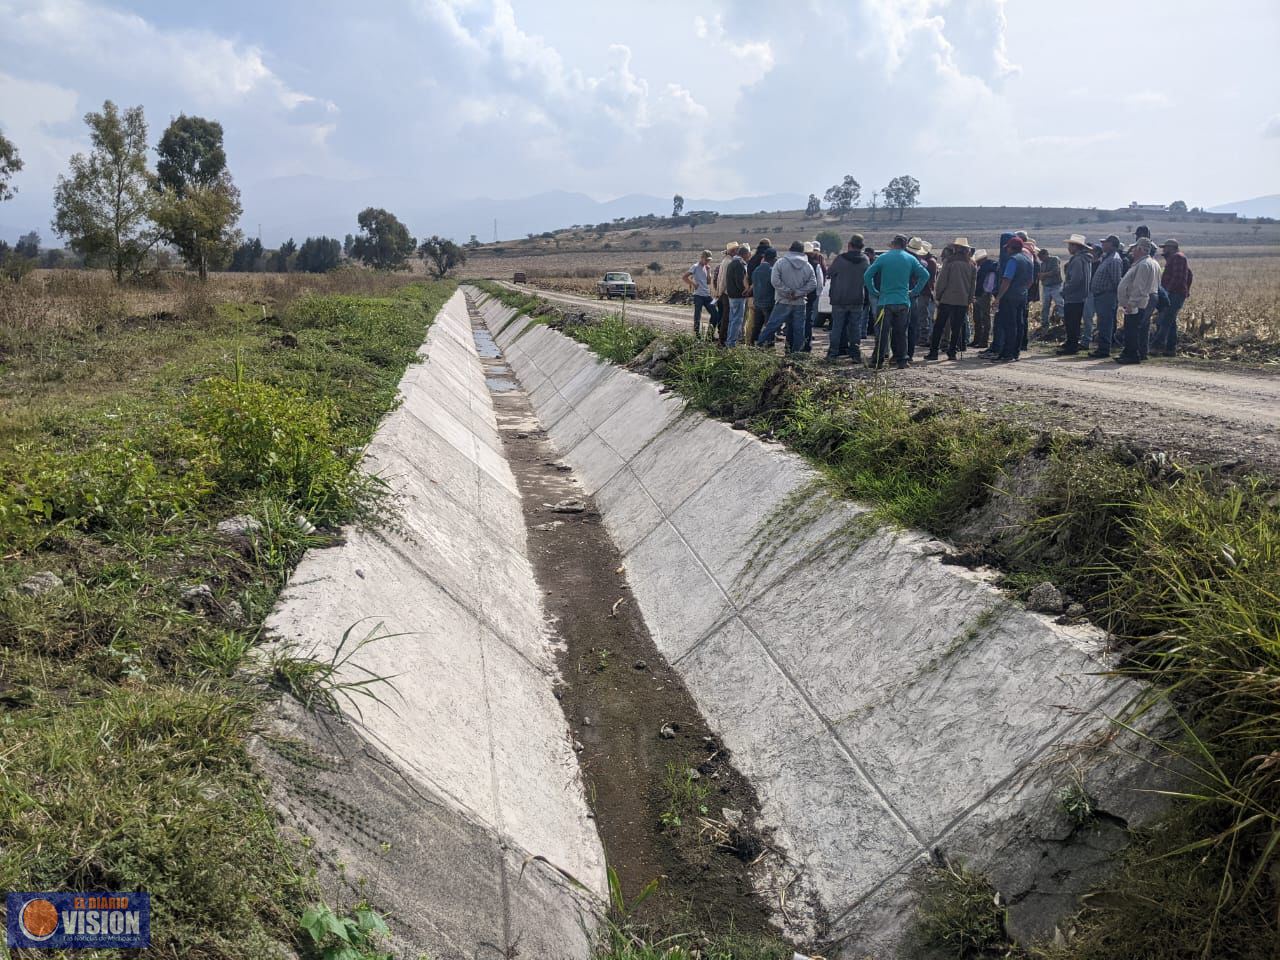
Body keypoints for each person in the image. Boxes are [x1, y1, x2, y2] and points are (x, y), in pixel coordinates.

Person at [863, 234, 930, 369]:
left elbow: (867, 275)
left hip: (885, 301)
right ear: (905, 245)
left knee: (882, 333)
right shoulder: (910, 258)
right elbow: (925, 275)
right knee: (901, 333)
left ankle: (878, 361)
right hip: (903, 301)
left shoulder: (883, 258)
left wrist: (874, 291)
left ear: (893, 244)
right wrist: (915, 291)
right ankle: (902, 360)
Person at [756, 241, 817, 353]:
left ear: (790, 249)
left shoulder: (780, 263)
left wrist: (787, 292)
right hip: (799, 302)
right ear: (802, 251)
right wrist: (798, 293)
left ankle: (757, 348)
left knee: (771, 326)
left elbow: (775, 280)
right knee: (799, 330)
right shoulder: (807, 265)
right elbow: (813, 283)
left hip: (782, 301)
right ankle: (796, 354)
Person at [1115, 237, 1162, 365]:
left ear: (1141, 249)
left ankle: (1132, 355)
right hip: (1145, 301)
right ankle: (1133, 352)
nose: (1133, 251)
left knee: (1132, 329)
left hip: (1138, 302)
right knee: (1138, 328)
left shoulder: (1144, 265)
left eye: (1135, 248)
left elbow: (1139, 287)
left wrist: (1132, 303)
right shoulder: (1153, 263)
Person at [929, 239, 976, 360]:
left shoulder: (949, 262)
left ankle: (933, 352)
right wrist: (969, 299)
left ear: (956, 248)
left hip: (947, 299)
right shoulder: (971, 264)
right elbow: (972, 285)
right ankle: (952, 352)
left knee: (939, 326)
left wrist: (937, 295)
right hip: (963, 300)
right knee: (957, 327)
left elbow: (942, 281)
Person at [990, 236, 1035, 362]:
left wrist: (998, 297)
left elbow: (1007, 280)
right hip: (1022, 295)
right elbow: (1030, 281)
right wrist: (1022, 290)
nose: (1006, 250)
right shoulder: (1028, 260)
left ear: (1011, 248)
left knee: (1009, 325)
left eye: (1008, 248)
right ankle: (1015, 352)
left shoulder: (1013, 260)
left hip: (1009, 296)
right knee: (1019, 324)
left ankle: (1007, 353)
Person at [826, 234, 870, 361]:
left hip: (839, 299)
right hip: (857, 299)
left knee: (837, 327)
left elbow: (830, 273)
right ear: (861, 246)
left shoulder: (840, 259)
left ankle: (833, 353)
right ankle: (855, 354)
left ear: (849, 245)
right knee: (855, 328)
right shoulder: (865, 260)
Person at [1153, 238, 1192, 356]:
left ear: (1172, 248)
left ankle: (1156, 346)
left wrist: (1166, 293)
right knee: (1171, 321)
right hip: (1176, 294)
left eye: (1165, 247)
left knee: (1165, 320)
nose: (1163, 250)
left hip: (1174, 294)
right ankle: (1170, 349)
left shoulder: (1178, 257)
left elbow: (1177, 278)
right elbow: (1189, 274)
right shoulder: (1176, 258)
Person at [1088, 235, 1124, 357]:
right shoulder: (1107, 258)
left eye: (1105, 243)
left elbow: (1116, 281)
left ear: (1112, 244)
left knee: (1105, 324)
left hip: (1107, 296)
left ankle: (1104, 349)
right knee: (1102, 323)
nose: (1102, 245)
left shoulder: (1114, 259)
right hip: (1101, 296)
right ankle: (1102, 348)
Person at [1058, 234, 1092, 355]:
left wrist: (1065, 291)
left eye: (1070, 245)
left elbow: (1076, 279)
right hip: (1080, 296)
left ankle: (1071, 347)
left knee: (1071, 323)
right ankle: (1071, 343)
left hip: (1073, 297)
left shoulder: (1077, 260)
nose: (1068, 248)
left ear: (1076, 246)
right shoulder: (1085, 259)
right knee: (1074, 322)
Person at [681, 249, 719, 339]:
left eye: (709, 260)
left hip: (707, 295)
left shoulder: (706, 267)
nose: (707, 261)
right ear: (701, 258)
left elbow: (709, 282)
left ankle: (709, 336)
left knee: (715, 314)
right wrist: (693, 284)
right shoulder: (695, 266)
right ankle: (697, 336)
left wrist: (709, 272)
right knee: (697, 315)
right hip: (698, 295)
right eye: (706, 259)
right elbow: (684, 277)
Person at [723, 245, 752, 347]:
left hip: (731, 295)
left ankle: (729, 341)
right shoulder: (739, 264)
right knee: (737, 320)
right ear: (745, 254)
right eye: (749, 253)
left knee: (732, 319)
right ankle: (731, 343)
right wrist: (745, 291)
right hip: (738, 296)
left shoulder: (732, 263)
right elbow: (740, 281)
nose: (750, 255)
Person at [749, 247, 777, 347]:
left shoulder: (756, 270)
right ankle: (769, 347)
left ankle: (752, 344)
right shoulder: (772, 271)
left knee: (757, 326)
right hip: (769, 303)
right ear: (773, 259)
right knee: (769, 327)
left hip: (757, 302)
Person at [713, 241, 737, 345]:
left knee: (725, 316)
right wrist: (720, 292)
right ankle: (722, 340)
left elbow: (719, 279)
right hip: (726, 293)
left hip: (723, 292)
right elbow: (723, 280)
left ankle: (723, 339)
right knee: (726, 318)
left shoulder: (725, 261)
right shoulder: (729, 262)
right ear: (733, 251)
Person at [972, 249, 998, 349]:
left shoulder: (988, 268)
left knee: (984, 318)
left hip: (983, 295)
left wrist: (985, 293)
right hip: (979, 294)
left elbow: (990, 283)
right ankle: (977, 339)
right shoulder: (983, 267)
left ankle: (983, 340)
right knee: (977, 317)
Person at [1036, 247, 1064, 335]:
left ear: (1046, 254)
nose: (1040, 259)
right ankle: (1044, 323)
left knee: (1060, 303)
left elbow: (1055, 271)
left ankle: (1064, 320)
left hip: (1055, 286)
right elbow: (1040, 276)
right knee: (1045, 306)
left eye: (1041, 256)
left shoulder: (1054, 259)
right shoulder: (1042, 264)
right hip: (1046, 287)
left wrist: (1044, 275)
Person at [803, 242, 825, 351]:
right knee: (808, 320)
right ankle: (807, 345)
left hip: (793, 296)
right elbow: (819, 283)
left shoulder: (795, 263)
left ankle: (794, 346)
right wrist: (817, 295)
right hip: (811, 297)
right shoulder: (816, 264)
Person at [1081, 242, 1102, 350]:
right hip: (1087, 292)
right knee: (1087, 317)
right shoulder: (1088, 262)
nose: (1089, 251)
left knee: (1089, 317)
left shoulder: (1100, 264)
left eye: (1092, 250)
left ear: (1097, 252)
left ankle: (1088, 340)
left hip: (1094, 293)